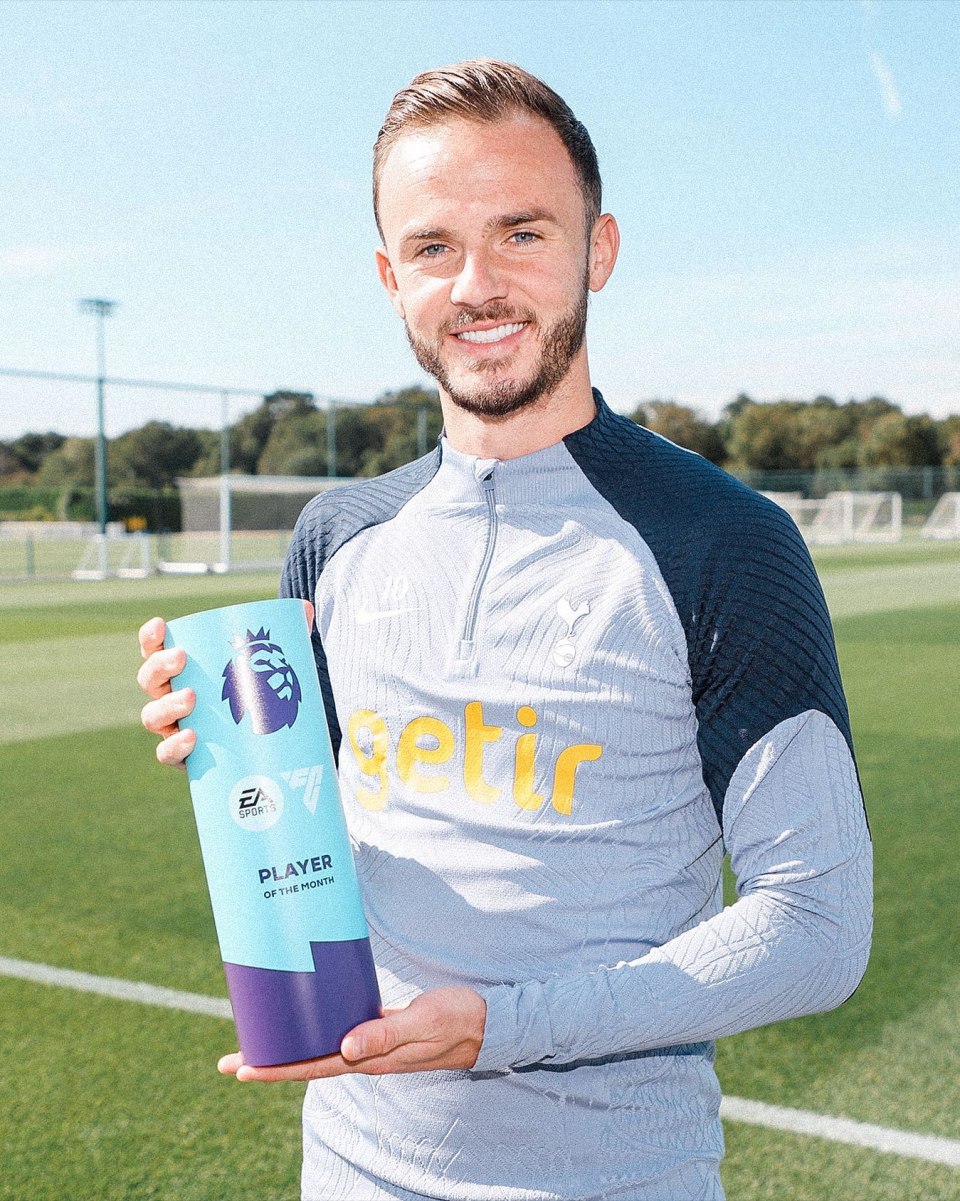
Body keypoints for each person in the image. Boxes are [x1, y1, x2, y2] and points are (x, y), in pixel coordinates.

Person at [139, 59, 872, 1201]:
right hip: (349, 1167)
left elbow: (817, 926)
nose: (476, 284)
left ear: (598, 250)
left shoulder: (723, 540)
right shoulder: (336, 537)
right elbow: (323, 833)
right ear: (391, 277)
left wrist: (506, 1024)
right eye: (433, 246)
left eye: (522, 233)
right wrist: (231, 755)